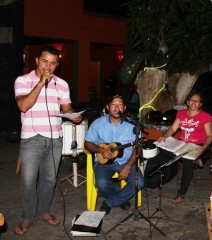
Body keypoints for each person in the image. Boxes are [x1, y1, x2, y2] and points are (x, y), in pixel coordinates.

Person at [14, 45, 82, 235]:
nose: (48, 66)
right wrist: (40, 83)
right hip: (31, 139)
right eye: (45, 61)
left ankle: (43, 211)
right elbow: (23, 106)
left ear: (57, 65)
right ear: (36, 61)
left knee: (50, 179)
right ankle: (27, 216)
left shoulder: (62, 84)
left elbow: (66, 107)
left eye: (53, 63)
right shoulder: (23, 80)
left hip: (54, 139)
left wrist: (73, 115)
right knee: (28, 181)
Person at [84, 95, 144, 215]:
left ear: (124, 108)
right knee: (101, 183)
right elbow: (88, 143)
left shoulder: (132, 126)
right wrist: (101, 150)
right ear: (108, 107)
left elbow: (138, 149)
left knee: (140, 183)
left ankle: (109, 202)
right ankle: (121, 200)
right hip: (104, 162)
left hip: (126, 161)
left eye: (120, 104)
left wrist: (128, 166)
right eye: (113, 104)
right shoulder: (98, 123)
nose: (117, 107)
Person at [155, 91, 212, 203]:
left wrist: (204, 147)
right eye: (192, 100)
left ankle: (181, 193)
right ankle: (197, 158)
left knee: (187, 163)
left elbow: (210, 136)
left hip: (197, 144)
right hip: (182, 144)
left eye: (197, 101)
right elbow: (173, 129)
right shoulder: (181, 113)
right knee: (161, 149)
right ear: (187, 102)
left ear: (200, 104)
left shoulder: (205, 116)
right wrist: (164, 137)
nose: (194, 103)